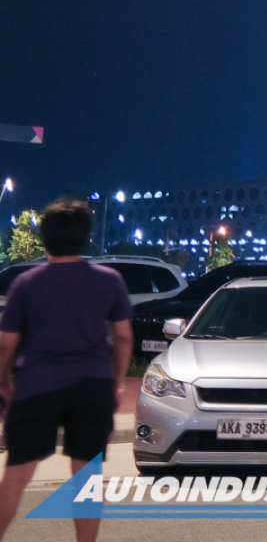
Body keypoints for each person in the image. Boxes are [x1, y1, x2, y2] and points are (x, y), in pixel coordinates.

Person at [0, 198, 133, 542]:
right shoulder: (109, 280)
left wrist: (4, 382)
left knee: (16, 474)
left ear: (44, 238)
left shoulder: (26, 284)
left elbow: (6, 344)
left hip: (36, 386)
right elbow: (123, 336)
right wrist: (117, 381)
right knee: (86, 478)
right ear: (85, 237)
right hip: (92, 386)